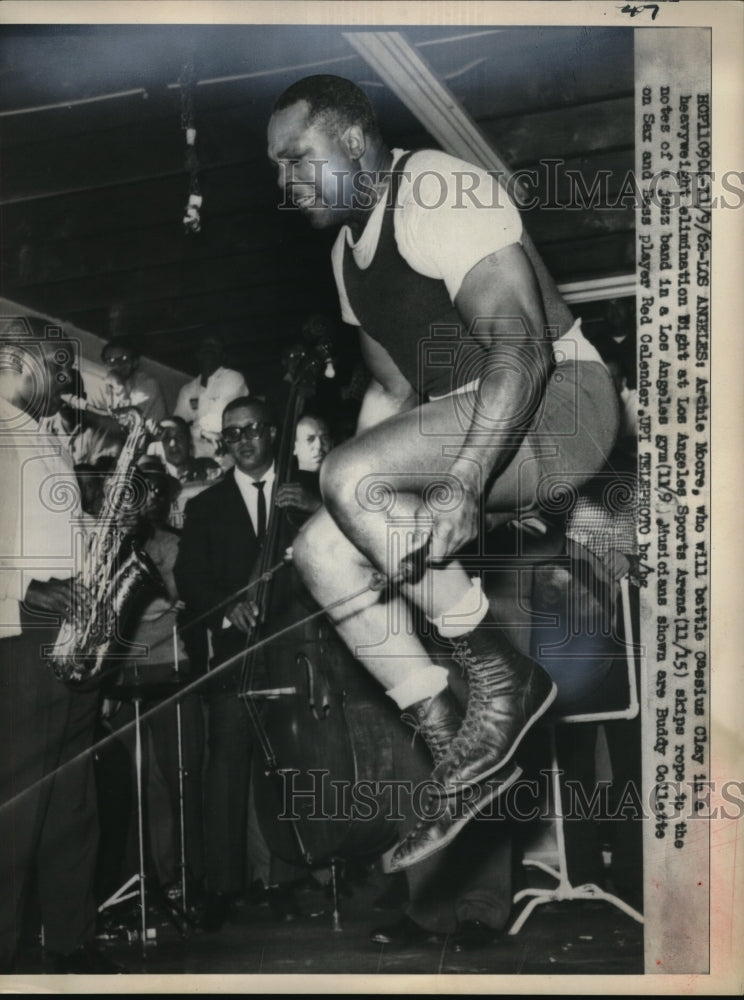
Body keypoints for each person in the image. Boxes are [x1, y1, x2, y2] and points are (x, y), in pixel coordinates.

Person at [266, 75, 620, 871]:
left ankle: (503, 682)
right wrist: (348, 517)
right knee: (320, 552)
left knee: (353, 483)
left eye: (297, 157)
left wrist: (457, 482)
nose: (284, 180)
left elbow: (520, 349)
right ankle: (451, 729)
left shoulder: (435, 189)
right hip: (474, 427)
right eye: (275, 167)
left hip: (559, 403)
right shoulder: (345, 257)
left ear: (353, 140)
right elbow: (392, 392)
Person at [0, 316, 124, 974]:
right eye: (58, 368)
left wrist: (108, 525)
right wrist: (32, 598)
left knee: (71, 801)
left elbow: (62, 527)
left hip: (69, 635)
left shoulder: (46, 435)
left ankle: (70, 942)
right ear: (17, 361)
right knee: (17, 811)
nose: (67, 384)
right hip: (19, 640)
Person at [173, 397, 301, 930]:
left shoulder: (305, 491)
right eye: (232, 434)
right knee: (225, 771)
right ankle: (223, 887)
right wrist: (229, 605)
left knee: (291, 769)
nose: (243, 439)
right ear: (223, 443)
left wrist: (315, 505)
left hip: (299, 654)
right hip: (235, 657)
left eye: (251, 428)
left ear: (271, 431)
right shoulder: (204, 507)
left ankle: (289, 881)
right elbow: (191, 582)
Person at [173, 335, 249, 467]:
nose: (208, 350)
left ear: (223, 355)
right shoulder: (188, 389)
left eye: (213, 347)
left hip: (226, 452)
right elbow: (177, 424)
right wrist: (199, 433)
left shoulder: (233, 378)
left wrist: (197, 431)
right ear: (197, 354)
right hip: (195, 456)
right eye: (204, 347)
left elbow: (220, 421)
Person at [148, 415, 222, 529]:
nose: (173, 444)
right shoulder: (155, 478)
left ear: (189, 441)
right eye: (167, 439)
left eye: (180, 437)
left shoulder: (208, 469)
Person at [95, 335, 167, 429]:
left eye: (124, 359)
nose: (117, 364)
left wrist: (119, 386)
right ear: (105, 365)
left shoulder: (149, 385)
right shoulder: (105, 385)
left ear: (135, 362)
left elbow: (128, 422)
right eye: (111, 360)